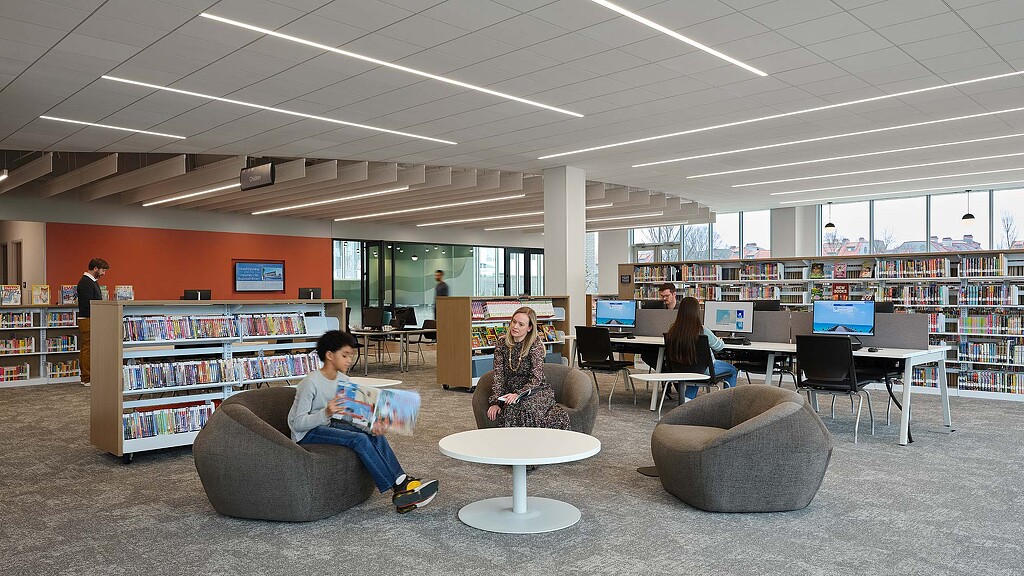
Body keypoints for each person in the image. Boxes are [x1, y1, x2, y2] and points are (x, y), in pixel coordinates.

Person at [288, 330, 438, 514]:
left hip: (328, 424)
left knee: (369, 433)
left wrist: (370, 426)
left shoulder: (343, 380)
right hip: (307, 433)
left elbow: (350, 414)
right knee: (358, 440)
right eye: (344, 355)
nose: (349, 360)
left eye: (350, 355)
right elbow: (297, 423)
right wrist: (326, 412)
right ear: (329, 355)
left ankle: (401, 482)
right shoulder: (310, 383)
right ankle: (398, 488)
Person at [487, 306, 569, 430]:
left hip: (535, 391)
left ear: (529, 328)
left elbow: (536, 378)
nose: (515, 327)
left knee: (526, 409)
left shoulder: (535, 345)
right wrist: (495, 402)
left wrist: (518, 394)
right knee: (512, 407)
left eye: (521, 324)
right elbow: (499, 375)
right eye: (514, 322)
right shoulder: (502, 344)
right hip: (510, 391)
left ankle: (534, 445)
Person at [664, 297, 738, 401]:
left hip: (681, 369)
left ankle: (686, 399)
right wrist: (720, 340)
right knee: (733, 370)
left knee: (695, 369)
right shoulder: (702, 330)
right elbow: (719, 347)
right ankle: (727, 402)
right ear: (696, 312)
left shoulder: (673, 330)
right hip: (703, 370)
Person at [76, 258, 109, 387]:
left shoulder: (91, 281)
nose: (104, 273)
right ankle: (86, 377)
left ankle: (88, 376)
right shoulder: (85, 282)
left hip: (92, 319)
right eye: (103, 270)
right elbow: (87, 303)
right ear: (95, 268)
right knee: (87, 349)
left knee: (88, 348)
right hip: (87, 320)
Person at [641, 282, 679, 374]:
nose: (664, 299)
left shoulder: (682, 308)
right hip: (660, 341)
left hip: (677, 343)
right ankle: (665, 375)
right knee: (646, 355)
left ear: (674, 294)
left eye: (667, 296)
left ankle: (667, 380)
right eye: (662, 296)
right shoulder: (658, 308)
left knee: (671, 358)